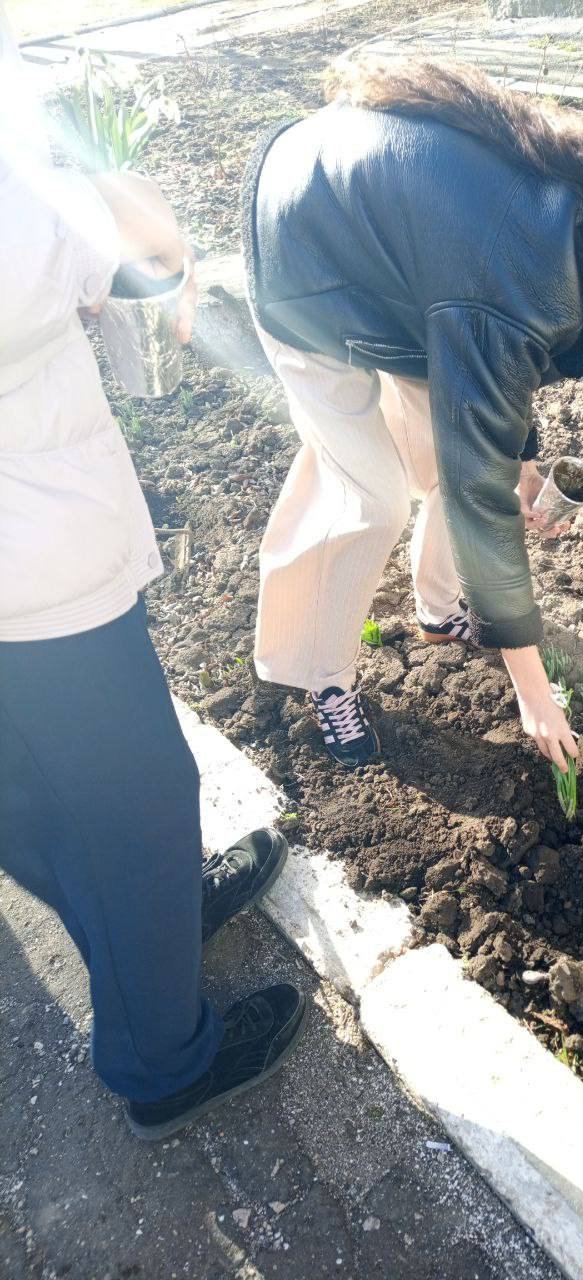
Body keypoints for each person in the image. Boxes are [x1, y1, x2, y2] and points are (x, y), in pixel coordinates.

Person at [243, 56, 583, 771]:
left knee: (456, 456)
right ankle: (317, 674)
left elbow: (491, 395)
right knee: (370, 497)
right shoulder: (518, 284)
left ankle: (439, 610)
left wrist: (522, 463)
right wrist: (533, 690)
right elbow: (480, 480)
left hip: (405, 269)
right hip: (305, 254)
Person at [0, 3, 306, 1141]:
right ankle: (162, 1055)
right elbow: (125, 257)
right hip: (26, 549)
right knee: (129, 794)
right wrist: (106, 183)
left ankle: (150, 930)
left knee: (35, 786)